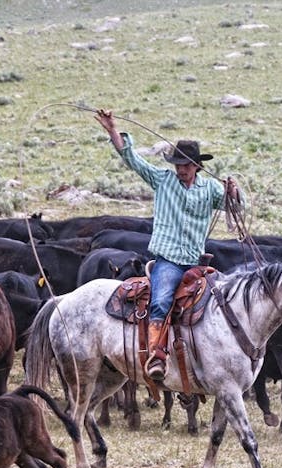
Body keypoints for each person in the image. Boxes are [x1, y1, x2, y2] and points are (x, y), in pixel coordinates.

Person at [95, 108, 242, 381]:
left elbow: (234, 206)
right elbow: (133, 160)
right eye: (178, 165)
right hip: (169, 261)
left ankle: (213, 357)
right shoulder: (162, 180)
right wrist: (112, 130)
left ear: (197, 166)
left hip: (198, 262)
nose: (181, 170)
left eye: (186, 165)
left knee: (221, 303)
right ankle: (157, 356)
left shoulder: (210, 190)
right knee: (161, 301)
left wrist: (233, 192)